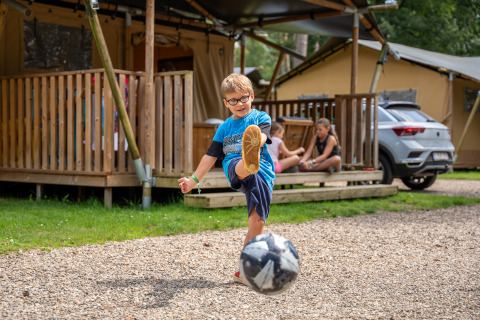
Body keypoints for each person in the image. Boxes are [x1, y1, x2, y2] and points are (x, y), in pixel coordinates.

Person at [178, 73, 275, 285]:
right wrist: (194, 180)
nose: (239, 103)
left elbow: (266, 136)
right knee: (240, 165)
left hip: (263, 174)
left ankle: (243, 271)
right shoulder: (224, 128)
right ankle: (247, 161)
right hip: (234, 165)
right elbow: (210, 156)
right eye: (233, 100)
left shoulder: (261, 118)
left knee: (257, 223)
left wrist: (257, 139)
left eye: (243, 98)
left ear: (251, 96)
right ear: (226, 103)